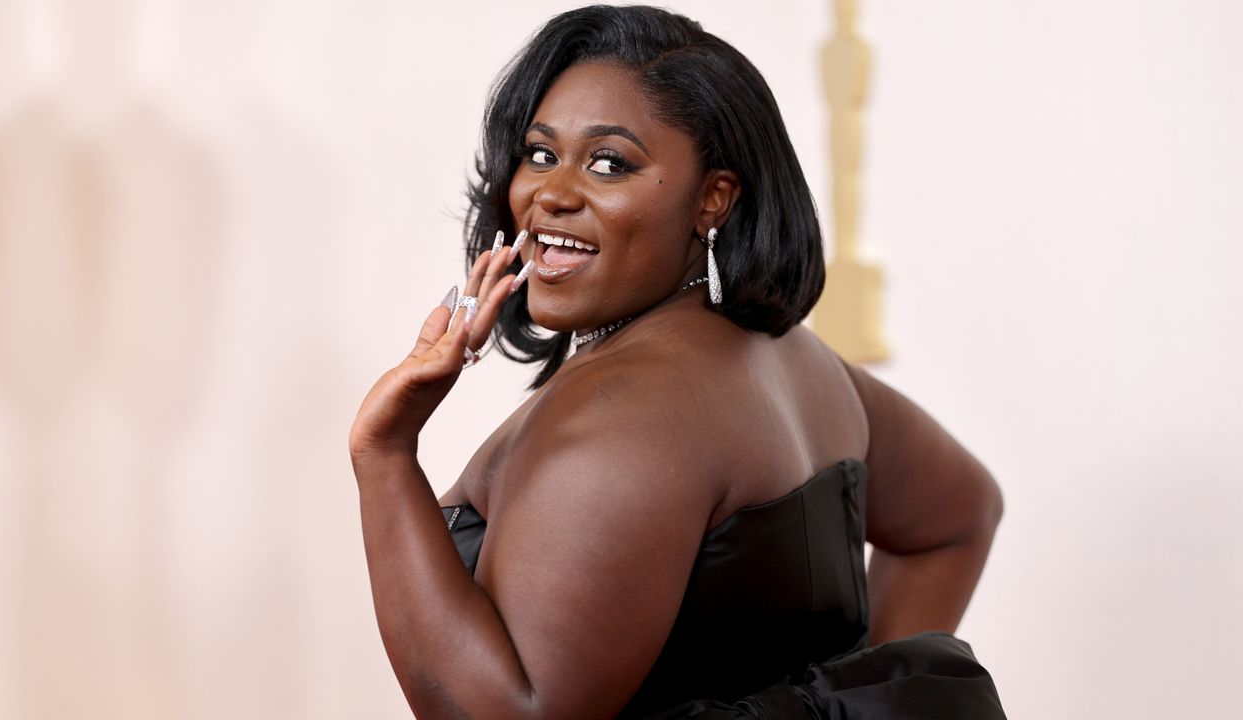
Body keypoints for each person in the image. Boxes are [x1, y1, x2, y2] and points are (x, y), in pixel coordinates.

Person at [350, 6, 1006, 718]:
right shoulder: (793, 358)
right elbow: (960, 513)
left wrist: (384, 453)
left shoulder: (621, 416)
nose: (553, 194)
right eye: (541, 153)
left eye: (610, 163)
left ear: (712, 199)